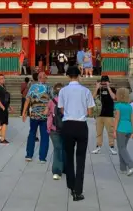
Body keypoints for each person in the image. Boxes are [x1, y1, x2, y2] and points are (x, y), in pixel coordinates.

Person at [58, 65, 95, 202]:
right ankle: (78, 191)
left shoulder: (63, 91)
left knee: (68, 156)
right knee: (80, 158)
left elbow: (61, 109)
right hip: (81, 125)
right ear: (79, 75)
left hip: (68, 124)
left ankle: (71, 185)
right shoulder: (85, 91)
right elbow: (90, 112)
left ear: (68, 76)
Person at [22, 71, 52, 163]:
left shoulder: (32, 87)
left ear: (38, 78)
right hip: (44, 116)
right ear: (45, 78)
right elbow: (53, 101)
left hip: (34, 115)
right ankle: (42, 157)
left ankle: (29, 155)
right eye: (45, 77)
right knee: (44, 136)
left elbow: (27, 100)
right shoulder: (48, 88)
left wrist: (24, 112)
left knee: (32, 134)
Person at [113, 88, 133, 175]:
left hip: (121, 128)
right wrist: (132, 131)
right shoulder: (129, 106)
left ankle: (131, 165)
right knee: (122, 148)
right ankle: (122, 168)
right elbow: (132, 119)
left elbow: (117, 118)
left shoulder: (118, 106)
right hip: (128, 129)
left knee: (122, 148)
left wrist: (114, 130)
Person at [92, 75, 117, 155]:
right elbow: (92, 97)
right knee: (99, 132)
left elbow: (114, 97)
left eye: (105, 83)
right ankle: (98, 146)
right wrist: (97, 87)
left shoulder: (112, 89)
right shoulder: (98, 90)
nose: (104, 85)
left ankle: (112, 146)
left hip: (109, 114)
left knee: (110, 131)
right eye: (102, 83)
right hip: (99, 114)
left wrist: (108, 87)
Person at [47, 83, 65, 180]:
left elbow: (46, 113)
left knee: (57, 149)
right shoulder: (67, 101)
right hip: (66, 128)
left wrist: (48, 128)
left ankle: (56, 171)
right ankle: (65, 168)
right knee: (65, 148)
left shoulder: (51, 101)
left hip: (54, 128)